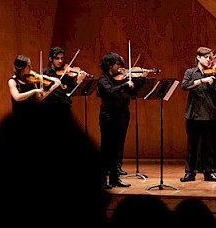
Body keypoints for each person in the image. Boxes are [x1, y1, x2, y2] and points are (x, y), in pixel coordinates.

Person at [181, 47, 216, 183]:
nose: (208, 60)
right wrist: (202, 81)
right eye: (205, 57)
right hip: (193, 114)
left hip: (209, 113)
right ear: (198, 57)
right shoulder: (190, 72)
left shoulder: (215, 74)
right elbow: (184, 85)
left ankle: (208, 172)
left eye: (209, 58)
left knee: (208, 146)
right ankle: (190, 173)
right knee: (192, 145)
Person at [97, 52, 148, 189]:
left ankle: (115, 179)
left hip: (119, 115)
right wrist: (125, 85)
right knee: (106, 149)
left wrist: (140, 80)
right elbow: (110, 91)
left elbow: (132, 92)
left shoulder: (117, 78)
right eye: (117, 64)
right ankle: (102, 181)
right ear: (109, 65)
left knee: (116, 148)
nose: (119, 67)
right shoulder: (103, 78)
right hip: (108, 116)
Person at [41, 47, 87, 111]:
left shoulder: (67, 74)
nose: (60, 61)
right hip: (49, 107)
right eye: (57, 58)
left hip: (65, 107)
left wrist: (78, 81)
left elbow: (71, 91)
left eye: (62, 58)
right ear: (50, 59)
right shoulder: (45, 73)